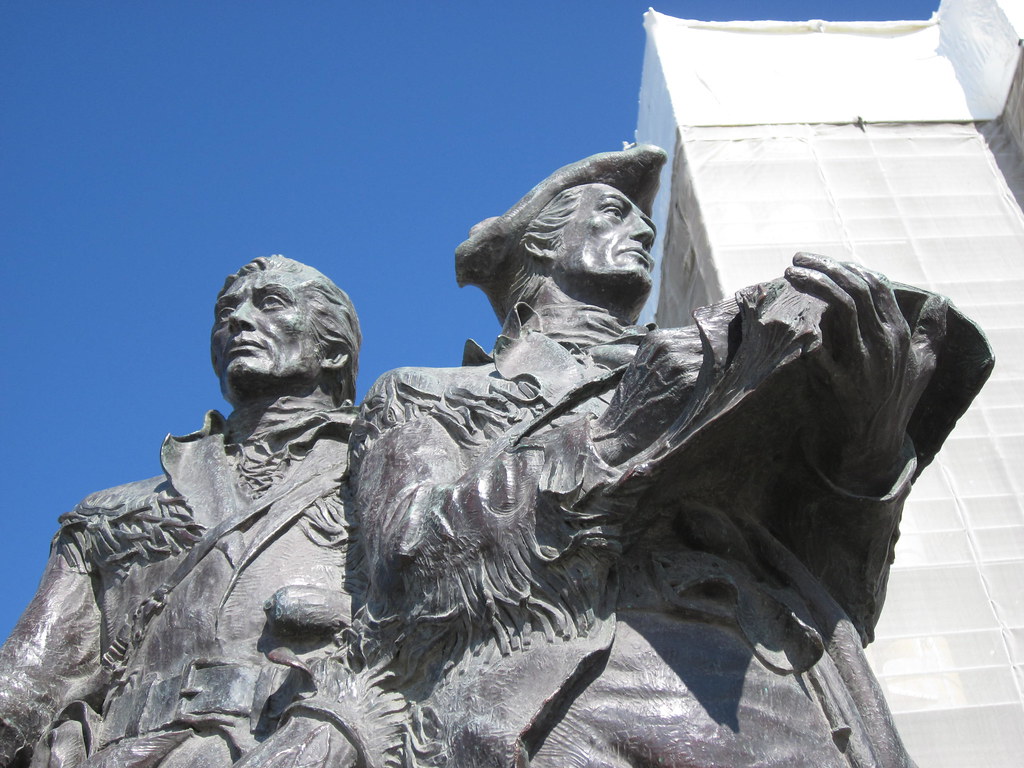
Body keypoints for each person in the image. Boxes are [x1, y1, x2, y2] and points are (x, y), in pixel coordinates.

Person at [344, 147, 991, 766]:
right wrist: (615, 437)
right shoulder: (428, 394)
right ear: (540, 243)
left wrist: (869, 451)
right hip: (570, 694)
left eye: (645, 223)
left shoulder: (720, 360)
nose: (643, 232)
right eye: (612, 213)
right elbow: (408, 565)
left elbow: (842, 600)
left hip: (786, 690)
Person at [0, 256, 371, 768]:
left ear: (333, 351)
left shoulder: (385, 464)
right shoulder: (109, 513)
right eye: (226, 312)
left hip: (309, 741)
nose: (239, 320)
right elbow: (26, 683)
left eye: (270, 303)